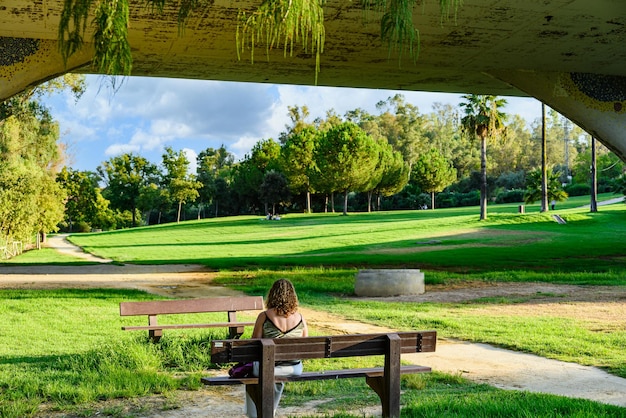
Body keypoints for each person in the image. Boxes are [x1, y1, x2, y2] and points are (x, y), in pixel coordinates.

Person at [244, 279, 308, 418]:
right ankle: (269, 413)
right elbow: (305, 345)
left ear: (272, 294)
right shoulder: (300, 318)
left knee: (254, 372)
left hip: (267, 368)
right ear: (293, 296)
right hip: (294, 369)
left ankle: (255, 415)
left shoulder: (264, 316)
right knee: (275, 377)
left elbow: (253, 344)